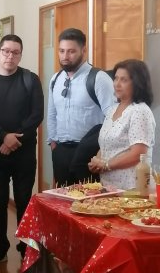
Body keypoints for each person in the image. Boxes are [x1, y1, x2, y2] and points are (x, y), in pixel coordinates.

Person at [0, 34, 44, 266]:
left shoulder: (30, 79)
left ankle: (25, 245)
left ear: (20, 55)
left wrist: (13, 139)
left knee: (23, 200)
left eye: (15, 52)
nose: (10, 56)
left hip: (24, 153)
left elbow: (36, 114)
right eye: (6, 51)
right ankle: (0, 246)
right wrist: (3, 137)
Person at [47, 27, 115, 186]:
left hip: (88, 153)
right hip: (61, 151)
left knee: (89, 203)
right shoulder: (55, 79)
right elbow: (51, 114)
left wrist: (101, 152)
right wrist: (53, 144)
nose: (65, 57)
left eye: (71, 51)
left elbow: (113, 117)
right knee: (62, 201)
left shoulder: (98, 78)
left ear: (83, 50)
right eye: (61, 51)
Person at [88, 59, 155, 189]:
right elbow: (107, 144)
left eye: (123, 80)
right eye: (116, 79)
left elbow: (138, 154)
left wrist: (107, 165)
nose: (117, 84)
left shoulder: (140, 110)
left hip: (133, 188)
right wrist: (97, 161)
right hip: (109, 186)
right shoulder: (113, 109)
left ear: (137, 83)